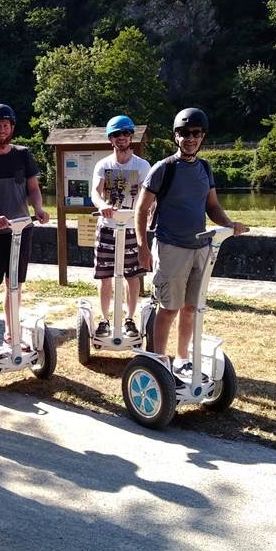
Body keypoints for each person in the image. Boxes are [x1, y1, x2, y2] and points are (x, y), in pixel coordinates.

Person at [135, 108, 248, 373]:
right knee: (168, 309)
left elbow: (213, 206)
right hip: (170, 247)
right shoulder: (163, 168)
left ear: (203, 136)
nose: (190, 138)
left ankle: (182, 360)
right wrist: (142, 247)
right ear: (176, 136)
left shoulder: (205, 168)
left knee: (191, 309)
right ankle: (158, 364)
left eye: (196, 133)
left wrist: (230, 225)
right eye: (185, 133)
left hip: (201, 248)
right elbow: (141, 210)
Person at [0, 103, 50, 350]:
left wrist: (38, 209)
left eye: (5, 125)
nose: (1, 129)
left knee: (14, 285)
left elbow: (33, 188)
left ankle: (13, 334)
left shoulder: (23, 154)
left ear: (12, 127)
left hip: (22, 228)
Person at [90, 115, 151, 338]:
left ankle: (129, 318)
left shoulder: (142, 166)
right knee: (105, 275)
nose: (122, 138)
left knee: (132, 275)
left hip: (133, 227)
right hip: (107, 226)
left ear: (131, 136)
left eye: (126, 133)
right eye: (117, 134)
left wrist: (148, 210)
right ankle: (104, 319)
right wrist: (103, 204)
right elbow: (96, 191)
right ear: (111, 139)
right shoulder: (103, 165)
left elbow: (148, 194)